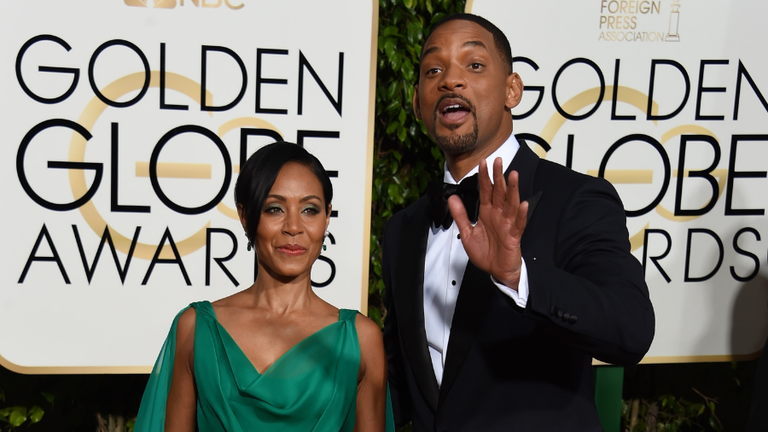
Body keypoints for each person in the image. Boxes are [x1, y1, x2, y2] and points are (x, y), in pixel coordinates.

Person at [382, 14, 656, 431]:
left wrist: (518, 277)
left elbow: (631, 330)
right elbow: (400, 384)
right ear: (418, 103)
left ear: (512, 90)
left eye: (474, 65)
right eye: (433, 70)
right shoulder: (403, 229)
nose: (450, 80)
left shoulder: (575, 199)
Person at [134, 142, 394, 431]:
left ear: (327, 217)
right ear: (245, 216)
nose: (293, 227)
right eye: (274, 209)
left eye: (310, 210)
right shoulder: (196, 329)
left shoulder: (362, 340)